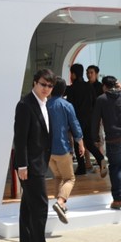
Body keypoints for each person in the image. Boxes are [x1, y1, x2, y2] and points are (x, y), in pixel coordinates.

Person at [14, 69, 62, 242]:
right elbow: (20, 139)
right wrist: (22, 165)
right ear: (34, 82)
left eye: (50, 86)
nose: (46, 88)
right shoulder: (25, 105)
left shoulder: (44, 103)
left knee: (28, 204)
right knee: (40, 205)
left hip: (38, 162)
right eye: (43, 84)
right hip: (30, 165)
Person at [91, 76, 121, 209]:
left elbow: (95, 120)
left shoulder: (101, 99)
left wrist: (95, 138)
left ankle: (118, 199)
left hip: (114, 138)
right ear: (116, 85)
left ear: (104, 87)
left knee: (115, 167)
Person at [46, 76, 85, 224]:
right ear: (64, 90)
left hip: (47, 151)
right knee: (70, 178)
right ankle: (61, 202)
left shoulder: (45, 104)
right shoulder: (66, 105)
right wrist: (80, 143)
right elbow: (75, 125)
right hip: (62, 148)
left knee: (58, 177)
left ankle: (60, 206)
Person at [66, 64, 106, 177]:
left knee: (78, 143)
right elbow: (95, 102)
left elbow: (70, 107)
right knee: (89, 143)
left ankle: (81, 168)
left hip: (77, 120)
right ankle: (101, 159)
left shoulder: (72, 88)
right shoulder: (89, 86)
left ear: (73, 74)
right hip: (90, 120)